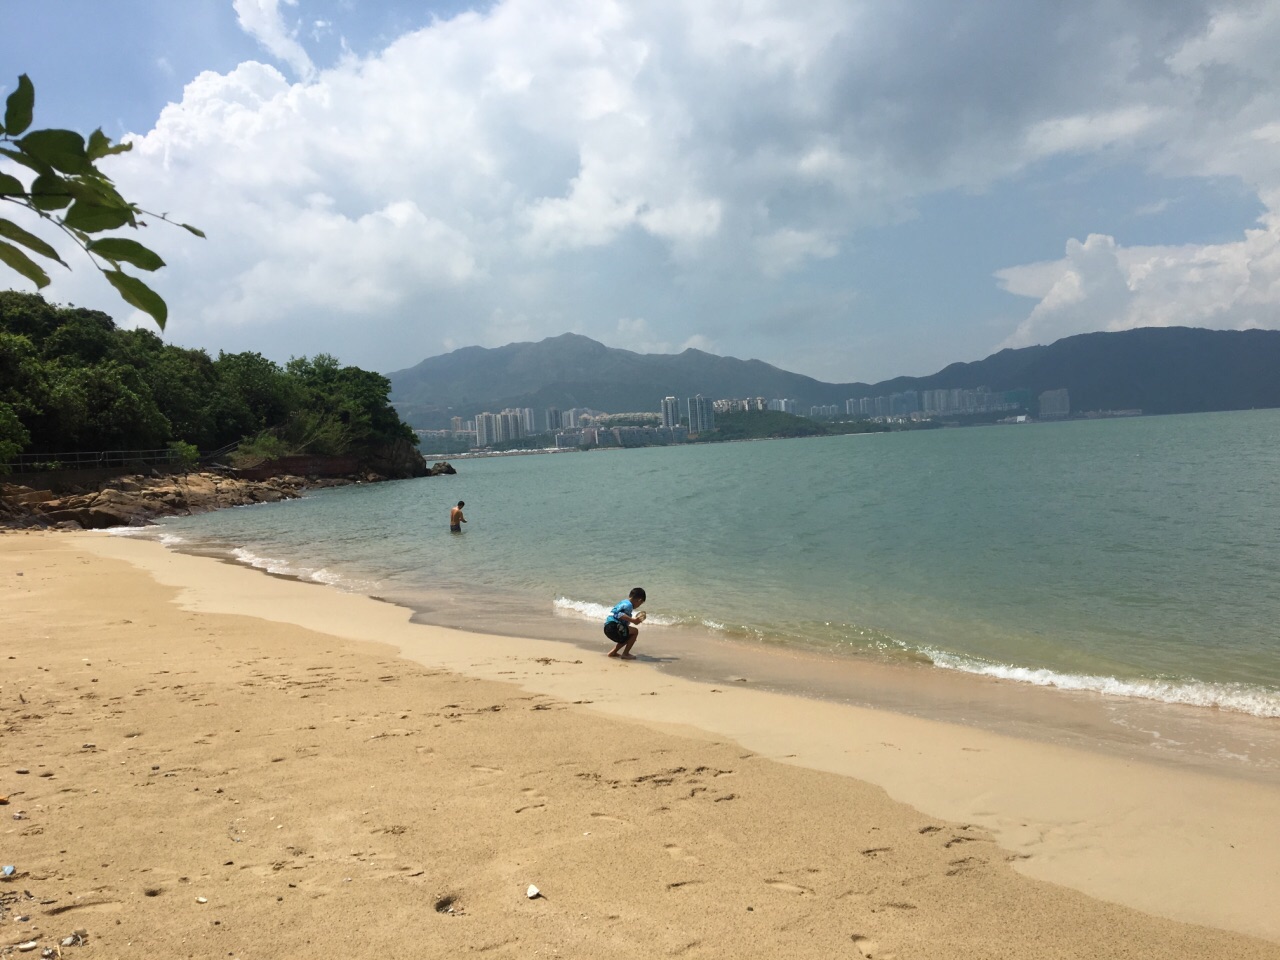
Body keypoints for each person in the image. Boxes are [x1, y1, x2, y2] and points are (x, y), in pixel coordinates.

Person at [603, 587, 646, 659]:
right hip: (614, 627)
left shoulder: (624, 602)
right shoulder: (629, 605)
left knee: (630, 635)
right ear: (639, 600)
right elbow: (619, 614)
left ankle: (613, 652)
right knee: (635, 631)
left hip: (607, 627)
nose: (638, 606)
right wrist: (633, 620)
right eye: (640, 604)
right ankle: (625, 654)